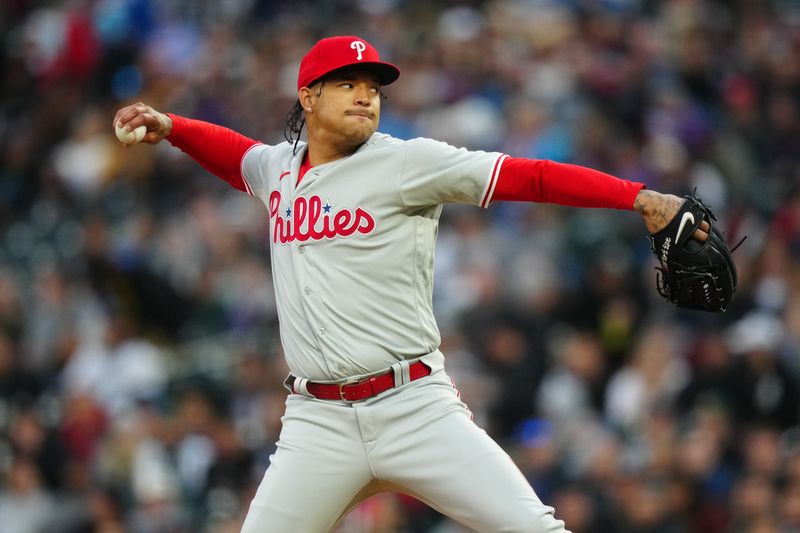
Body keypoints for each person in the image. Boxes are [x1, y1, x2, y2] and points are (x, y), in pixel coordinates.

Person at [113, 35, 709, 533]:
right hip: (316, 423)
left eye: (373, 86)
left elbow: (527, 177)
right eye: (348, 82)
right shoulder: (278, 170)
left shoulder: (407, 162)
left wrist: (638, 196)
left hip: (414, 406)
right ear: (308, 96)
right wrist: (172, 126)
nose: (366, 95)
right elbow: (238, 156)